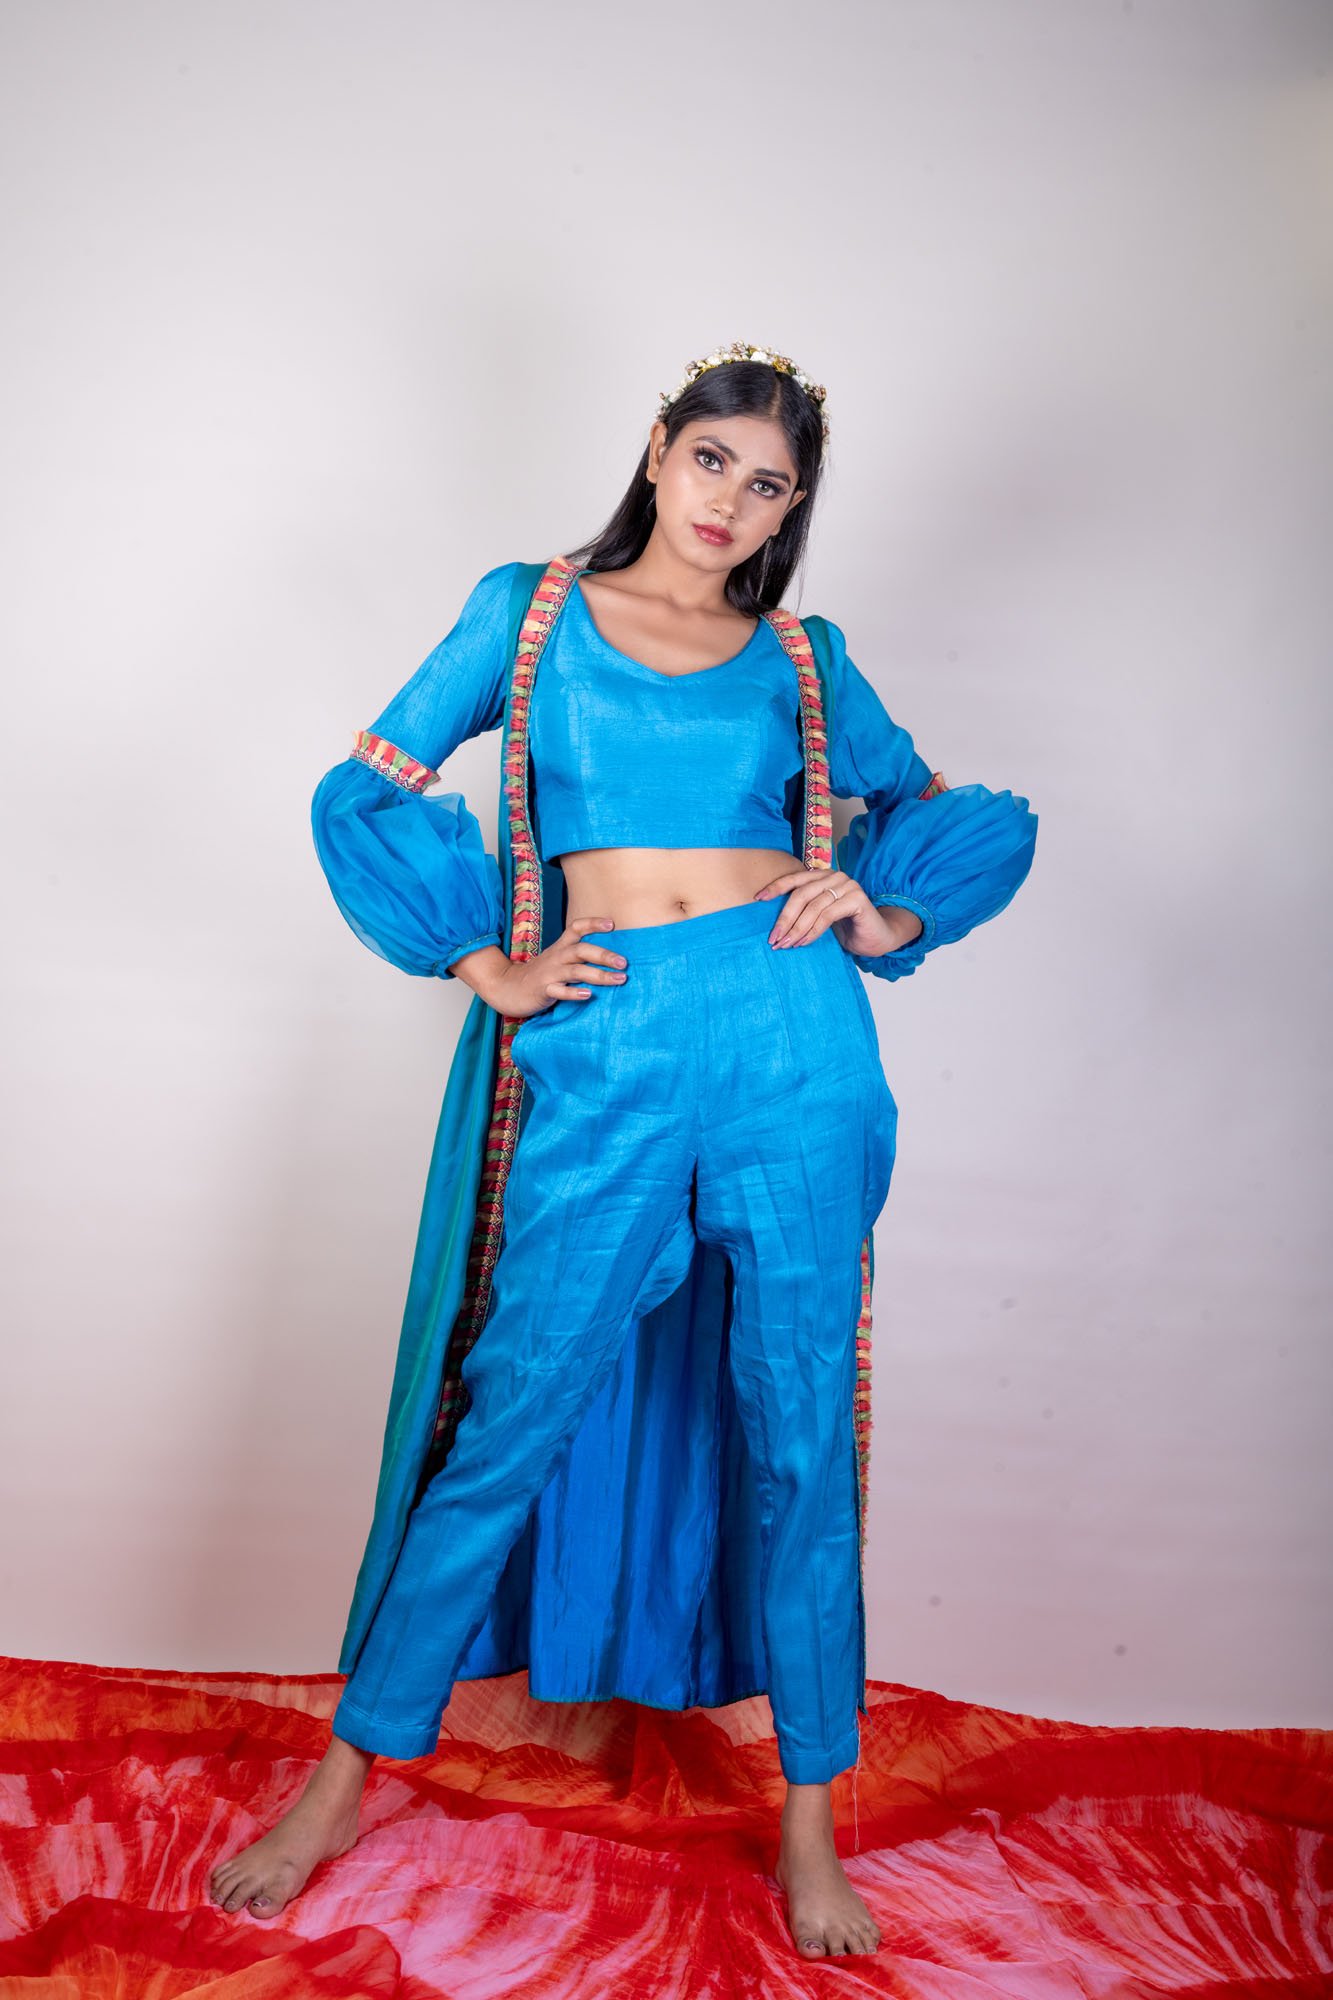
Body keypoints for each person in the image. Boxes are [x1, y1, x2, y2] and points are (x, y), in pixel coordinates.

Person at [208, 340, 1039, 1958]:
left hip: (791, 1036)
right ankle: (346, 1777)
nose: (732, 501)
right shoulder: (525, 616)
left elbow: (956, 816)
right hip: (606, 1038)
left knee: (798, 1424)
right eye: (713, 460)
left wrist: (883, 909)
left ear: (790, 510)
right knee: (509, 1406)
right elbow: (363, 790)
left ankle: (809, 1824)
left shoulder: (799, 657)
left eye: (769, 485)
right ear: (659, 450)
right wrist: (484, 962)